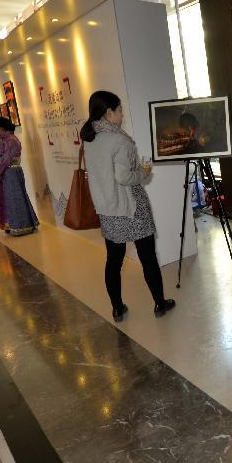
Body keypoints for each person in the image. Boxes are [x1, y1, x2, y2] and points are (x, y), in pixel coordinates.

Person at [80, 91, 175, 321]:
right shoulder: (119, 140)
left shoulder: (90, 138)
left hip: (107, 207)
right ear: (108, 113)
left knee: (113, 260)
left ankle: (117, 307)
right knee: (147, 257)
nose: (122, 114)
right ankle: (159, 303)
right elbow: (123, 177)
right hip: (131, 206)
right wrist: (143, 173)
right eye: (120, 110)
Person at [0, 117, 38, 236]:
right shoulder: (6, 140)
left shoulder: (11, 140)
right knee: (13, 198)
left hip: (11, 171)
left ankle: (22, 226)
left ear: (1, 128)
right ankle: (21, 225)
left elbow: (6, 159)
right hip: (9, 172)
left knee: (15, 198)